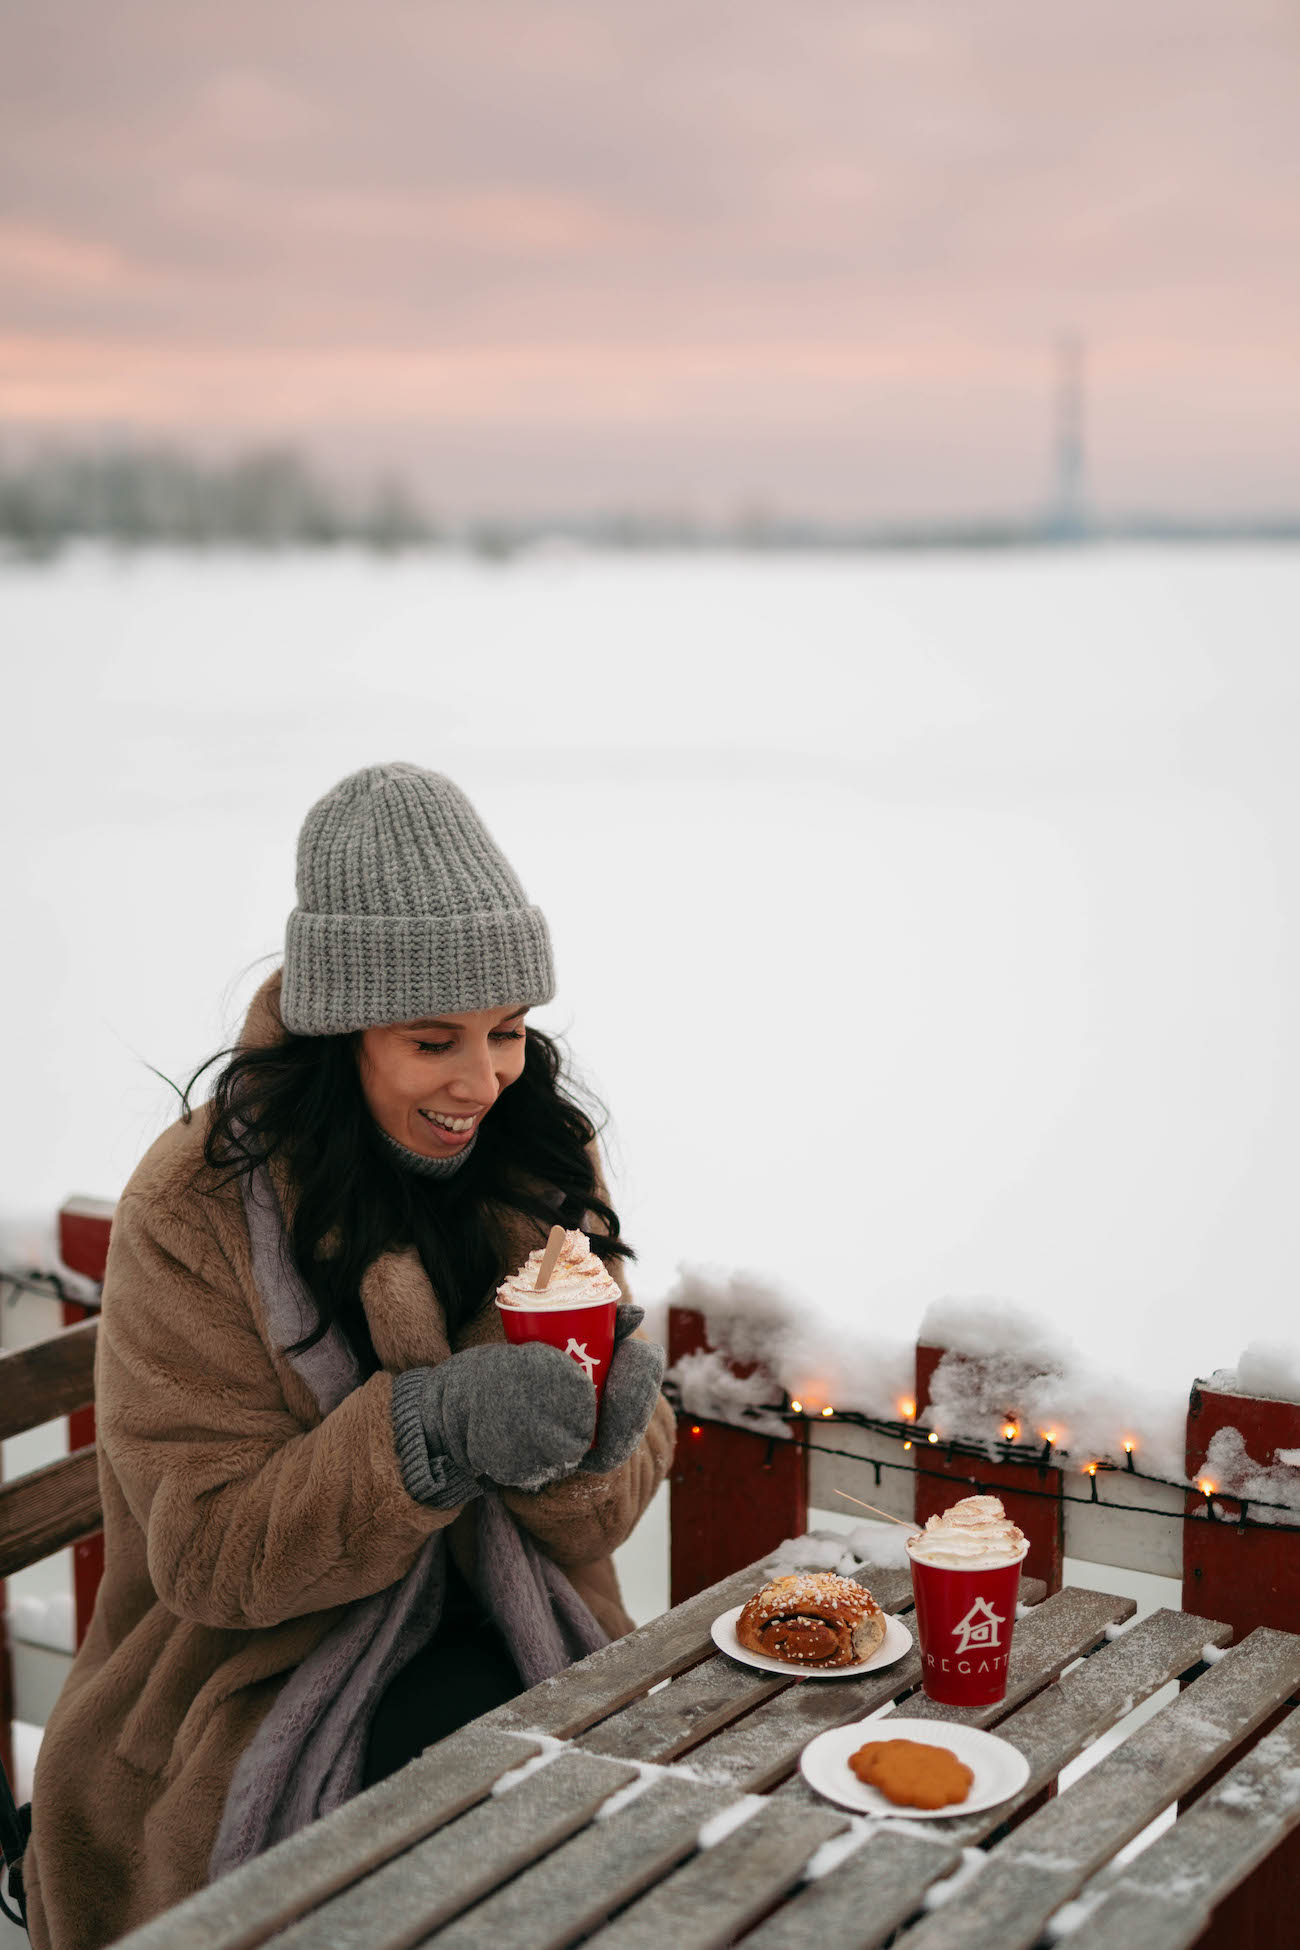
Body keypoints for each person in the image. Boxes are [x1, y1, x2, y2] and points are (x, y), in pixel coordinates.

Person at [23, 763, 675, 1950]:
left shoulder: (538, 1159)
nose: (481, 1081)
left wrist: (603, 1430)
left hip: (520, 1623)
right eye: (434, 1040)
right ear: (342, 1026)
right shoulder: (198, 1205)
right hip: (250, 1684)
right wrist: (425, 1438)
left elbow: (596, 1525)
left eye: (508, 1033)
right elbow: (209, 1560)